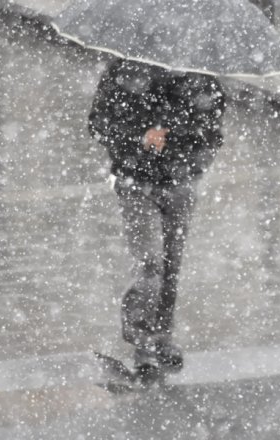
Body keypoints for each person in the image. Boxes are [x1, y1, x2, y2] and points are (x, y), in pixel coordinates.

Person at [88, 59, 226, 377]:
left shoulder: (201, 76)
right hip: (135, 183)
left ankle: (162, 336)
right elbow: (98, 125)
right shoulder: (124, 71)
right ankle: (142, 340)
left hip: (180, 183)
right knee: (150, 263)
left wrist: (173, 133)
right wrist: (141, 136)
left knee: (171, 266)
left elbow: (212, 133)